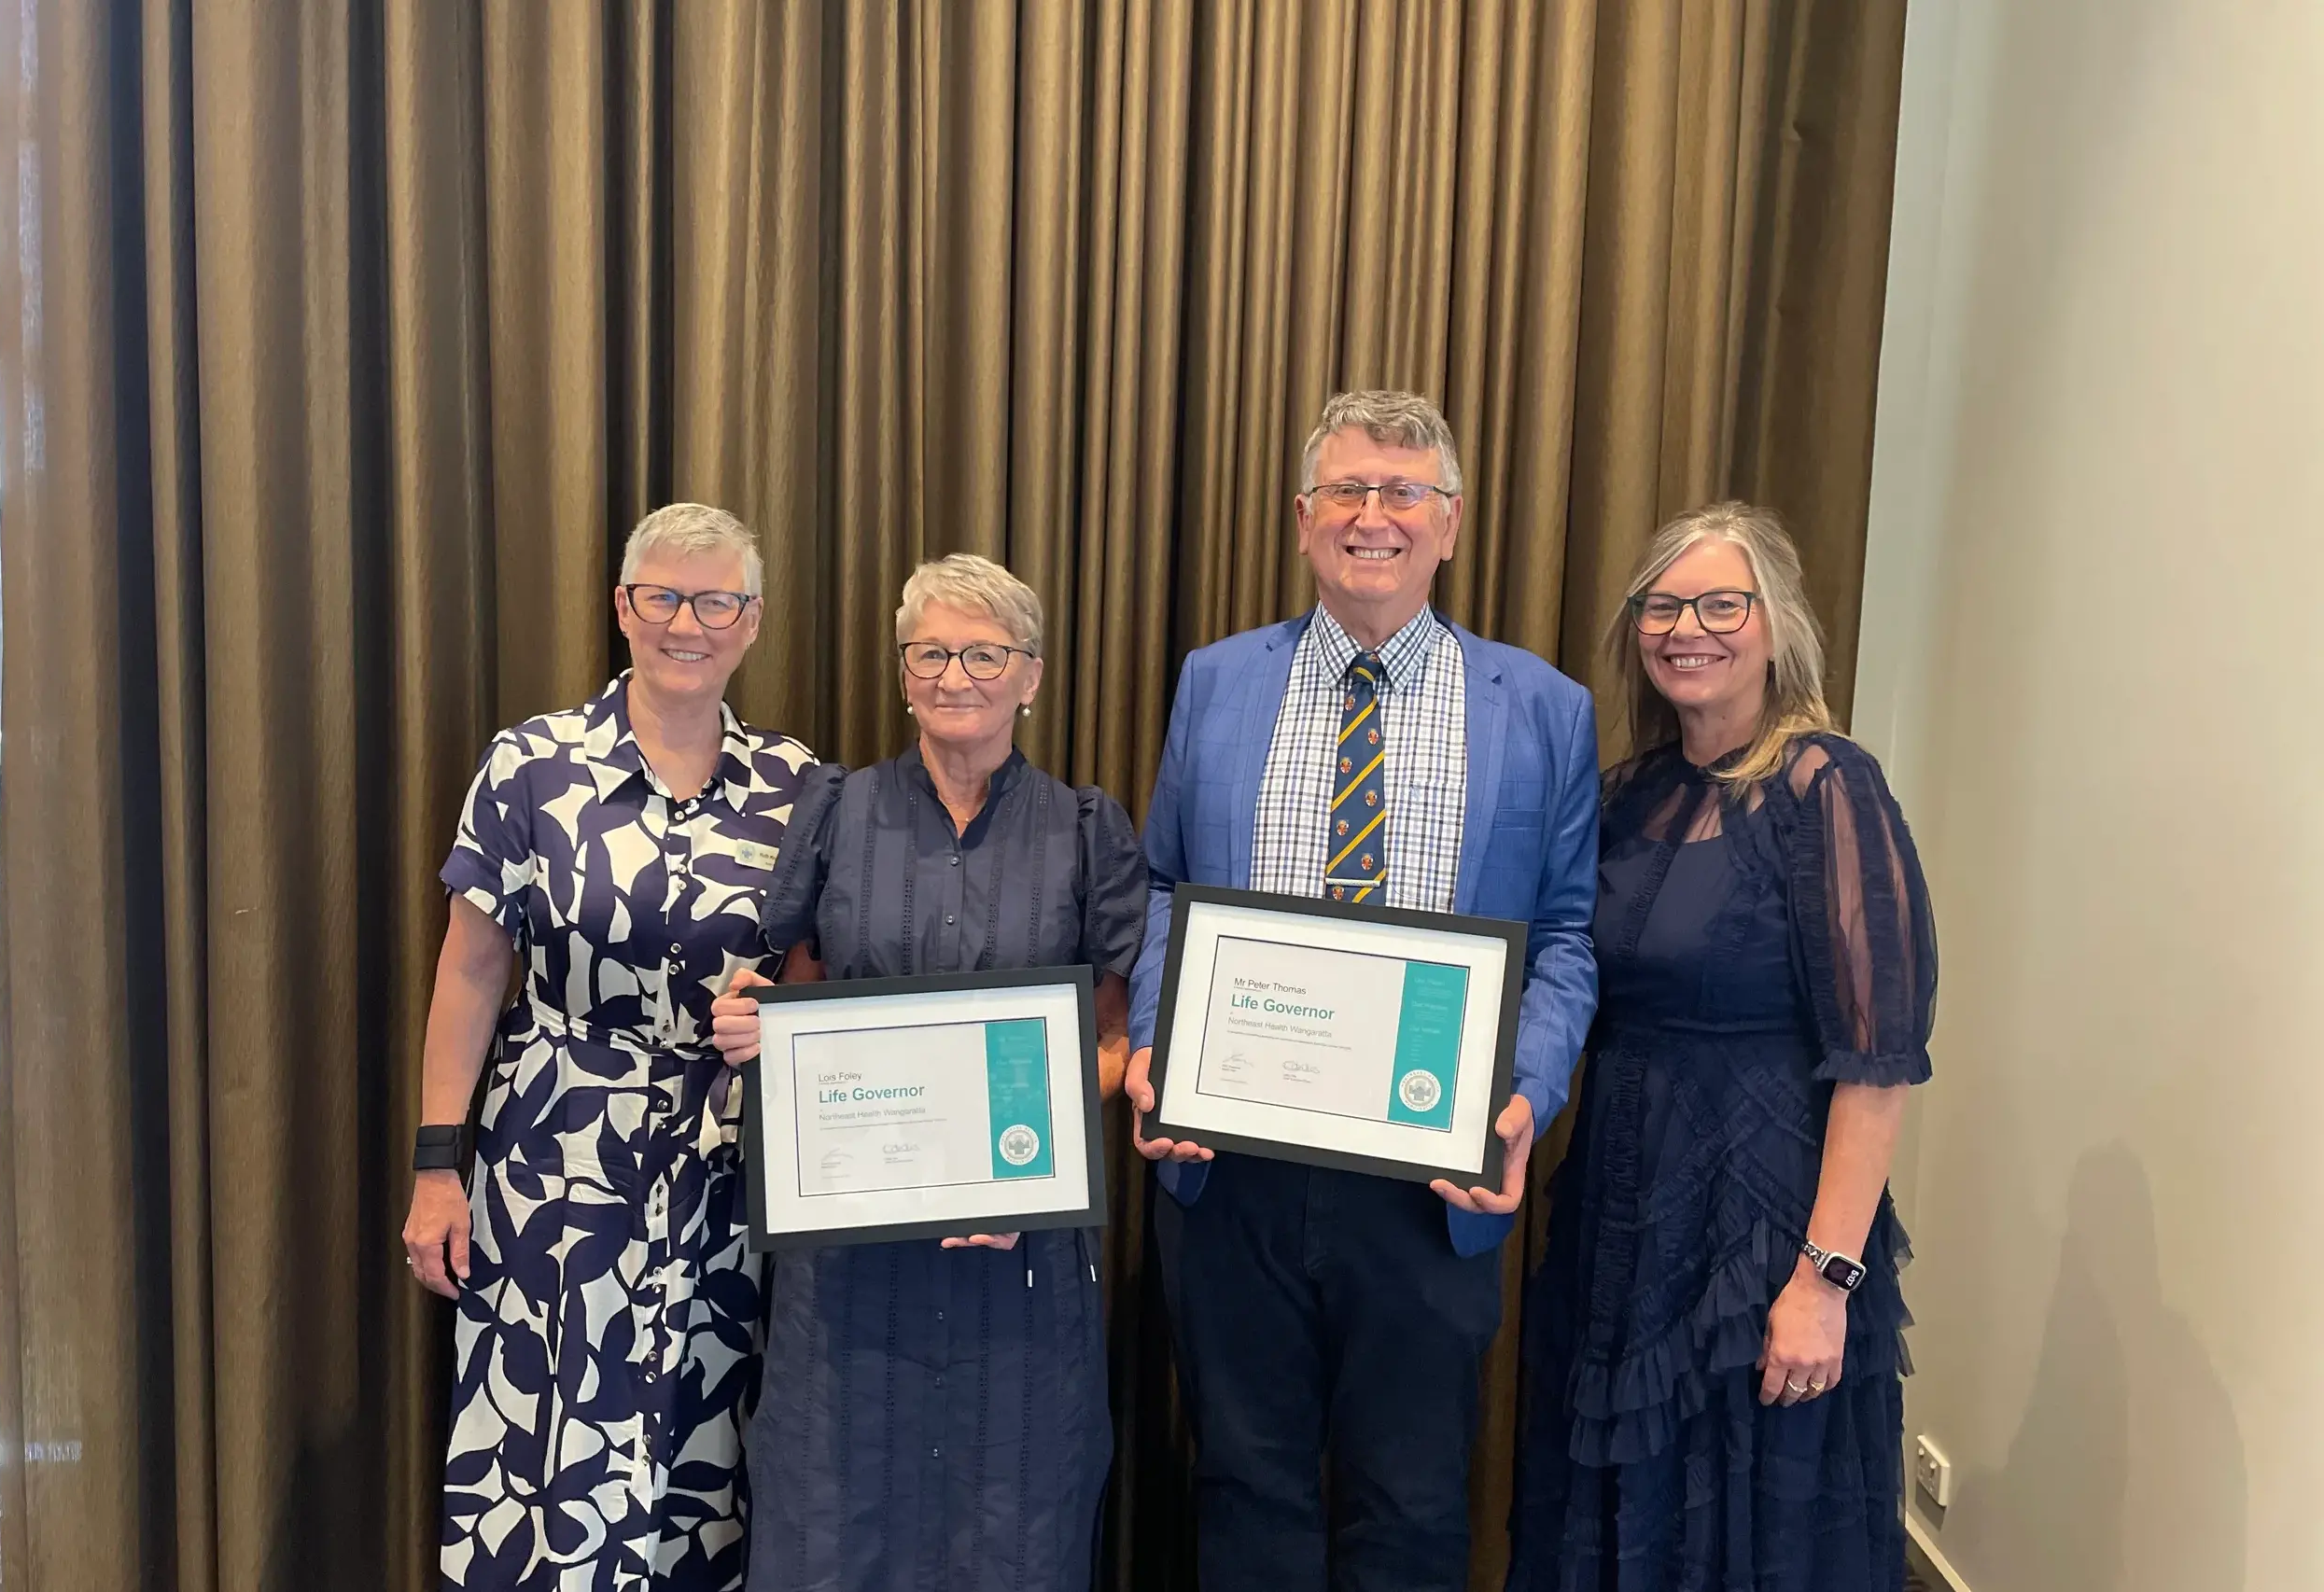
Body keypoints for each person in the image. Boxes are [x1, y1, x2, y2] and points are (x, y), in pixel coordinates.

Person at [1123, 390, 1602, 1592]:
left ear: (1448, 523)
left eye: (1402, 492)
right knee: (1246, 1485)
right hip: (1231, 1166)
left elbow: (1567, 934)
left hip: (1430, 1171)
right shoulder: (1216, 681)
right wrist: (1154, 1048)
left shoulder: (1542, 708)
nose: (1371, 515)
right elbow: (1168, 889)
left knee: (1411, 1500)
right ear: (1301, 519)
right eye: (1345, 489)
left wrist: (1527, 1094)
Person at [1507, 502, 1936, 1592]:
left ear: (1775, 626)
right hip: (1619, 1219)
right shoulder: (1626, 794)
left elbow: (1878, 1061)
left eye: (1718, 603)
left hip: (1762, 1232)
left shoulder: (1827, 788)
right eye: (1663, 604)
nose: (1686, 627)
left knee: (1744, 1524)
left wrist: (1824, 1279)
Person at [708, 552, 1143, 1592]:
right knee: (831, 1542)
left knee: (1016, 1545)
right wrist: (752, 1025)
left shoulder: (1087, 830)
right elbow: (787, 994)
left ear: (1030, 676)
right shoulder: (836, 811)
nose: (957, 675)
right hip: (854, 1275)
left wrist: (1010, 1173)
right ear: (902, 674)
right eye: (931, 652)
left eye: (985, 652)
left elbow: (1118, 1041)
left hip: (1021, 1268)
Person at [400, 503, 814, 1590]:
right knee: (542, 1448)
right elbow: (470, 970)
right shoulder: (530, 764)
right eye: (663, 596)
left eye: (716, 598)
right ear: (622, 606)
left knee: (699, 1451)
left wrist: (778, 1008)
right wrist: (436, 1166)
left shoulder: (797, 784)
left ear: (753, 619)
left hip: (725, 1175)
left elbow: (820, 974)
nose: (690, 622)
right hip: (551, 1160)